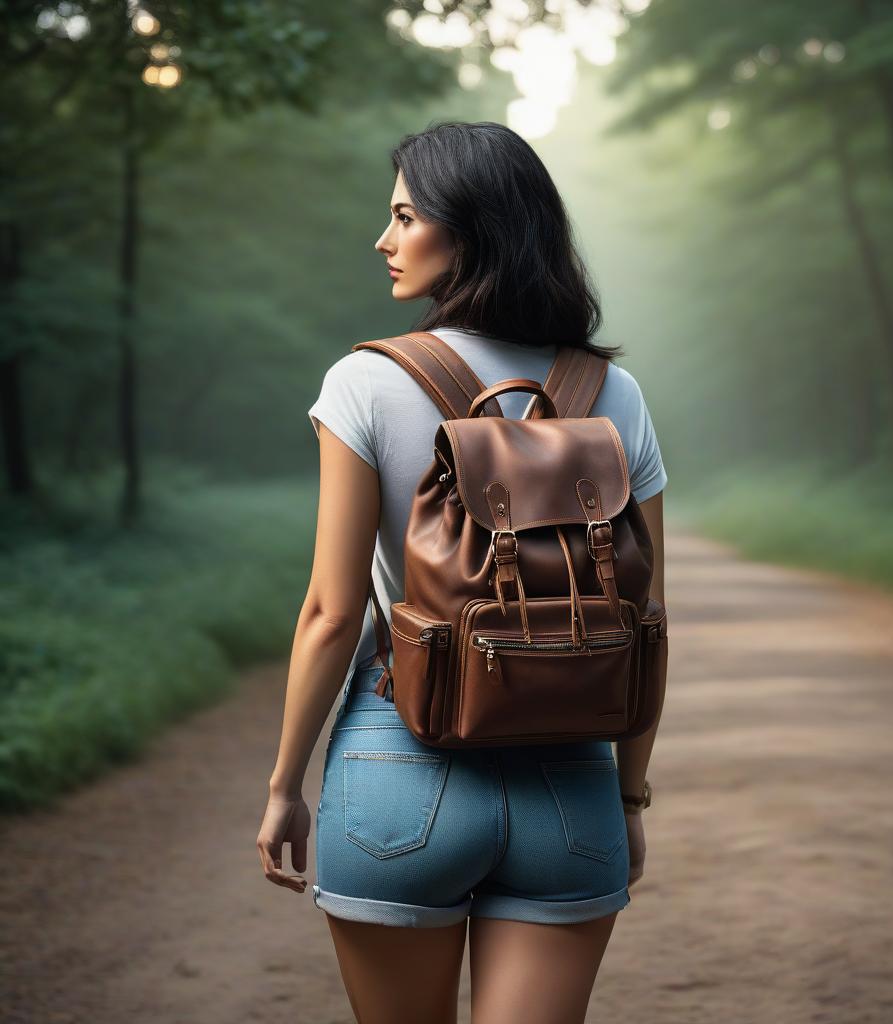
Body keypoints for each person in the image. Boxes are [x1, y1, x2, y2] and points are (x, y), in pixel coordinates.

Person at [257, 120, 668, 1024]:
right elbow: (648, 622)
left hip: (399, 760)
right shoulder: (612, 395)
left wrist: (287, 786)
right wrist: (627, 797)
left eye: (404, 216)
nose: (384, 239)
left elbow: (331, 611)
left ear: (470, 228)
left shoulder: (365, 383)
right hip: (572, 786)